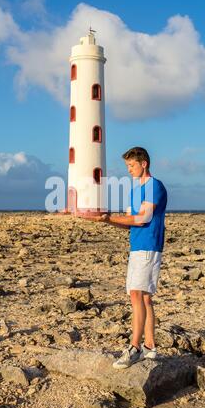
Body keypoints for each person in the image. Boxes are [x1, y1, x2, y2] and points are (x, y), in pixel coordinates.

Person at [80, 147, 167, 369]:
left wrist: (113, 218)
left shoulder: (154, 186)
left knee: (137, 295)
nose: (129, 170)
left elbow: (142, 219)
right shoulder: (134, 190)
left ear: (144, 164)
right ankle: (149, 346)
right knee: (144, 297)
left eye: (132, 165)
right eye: (127, 166)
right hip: (137, 247)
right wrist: (106, 220)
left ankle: (135, 348)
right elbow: (130, 222)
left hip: (148, 246)